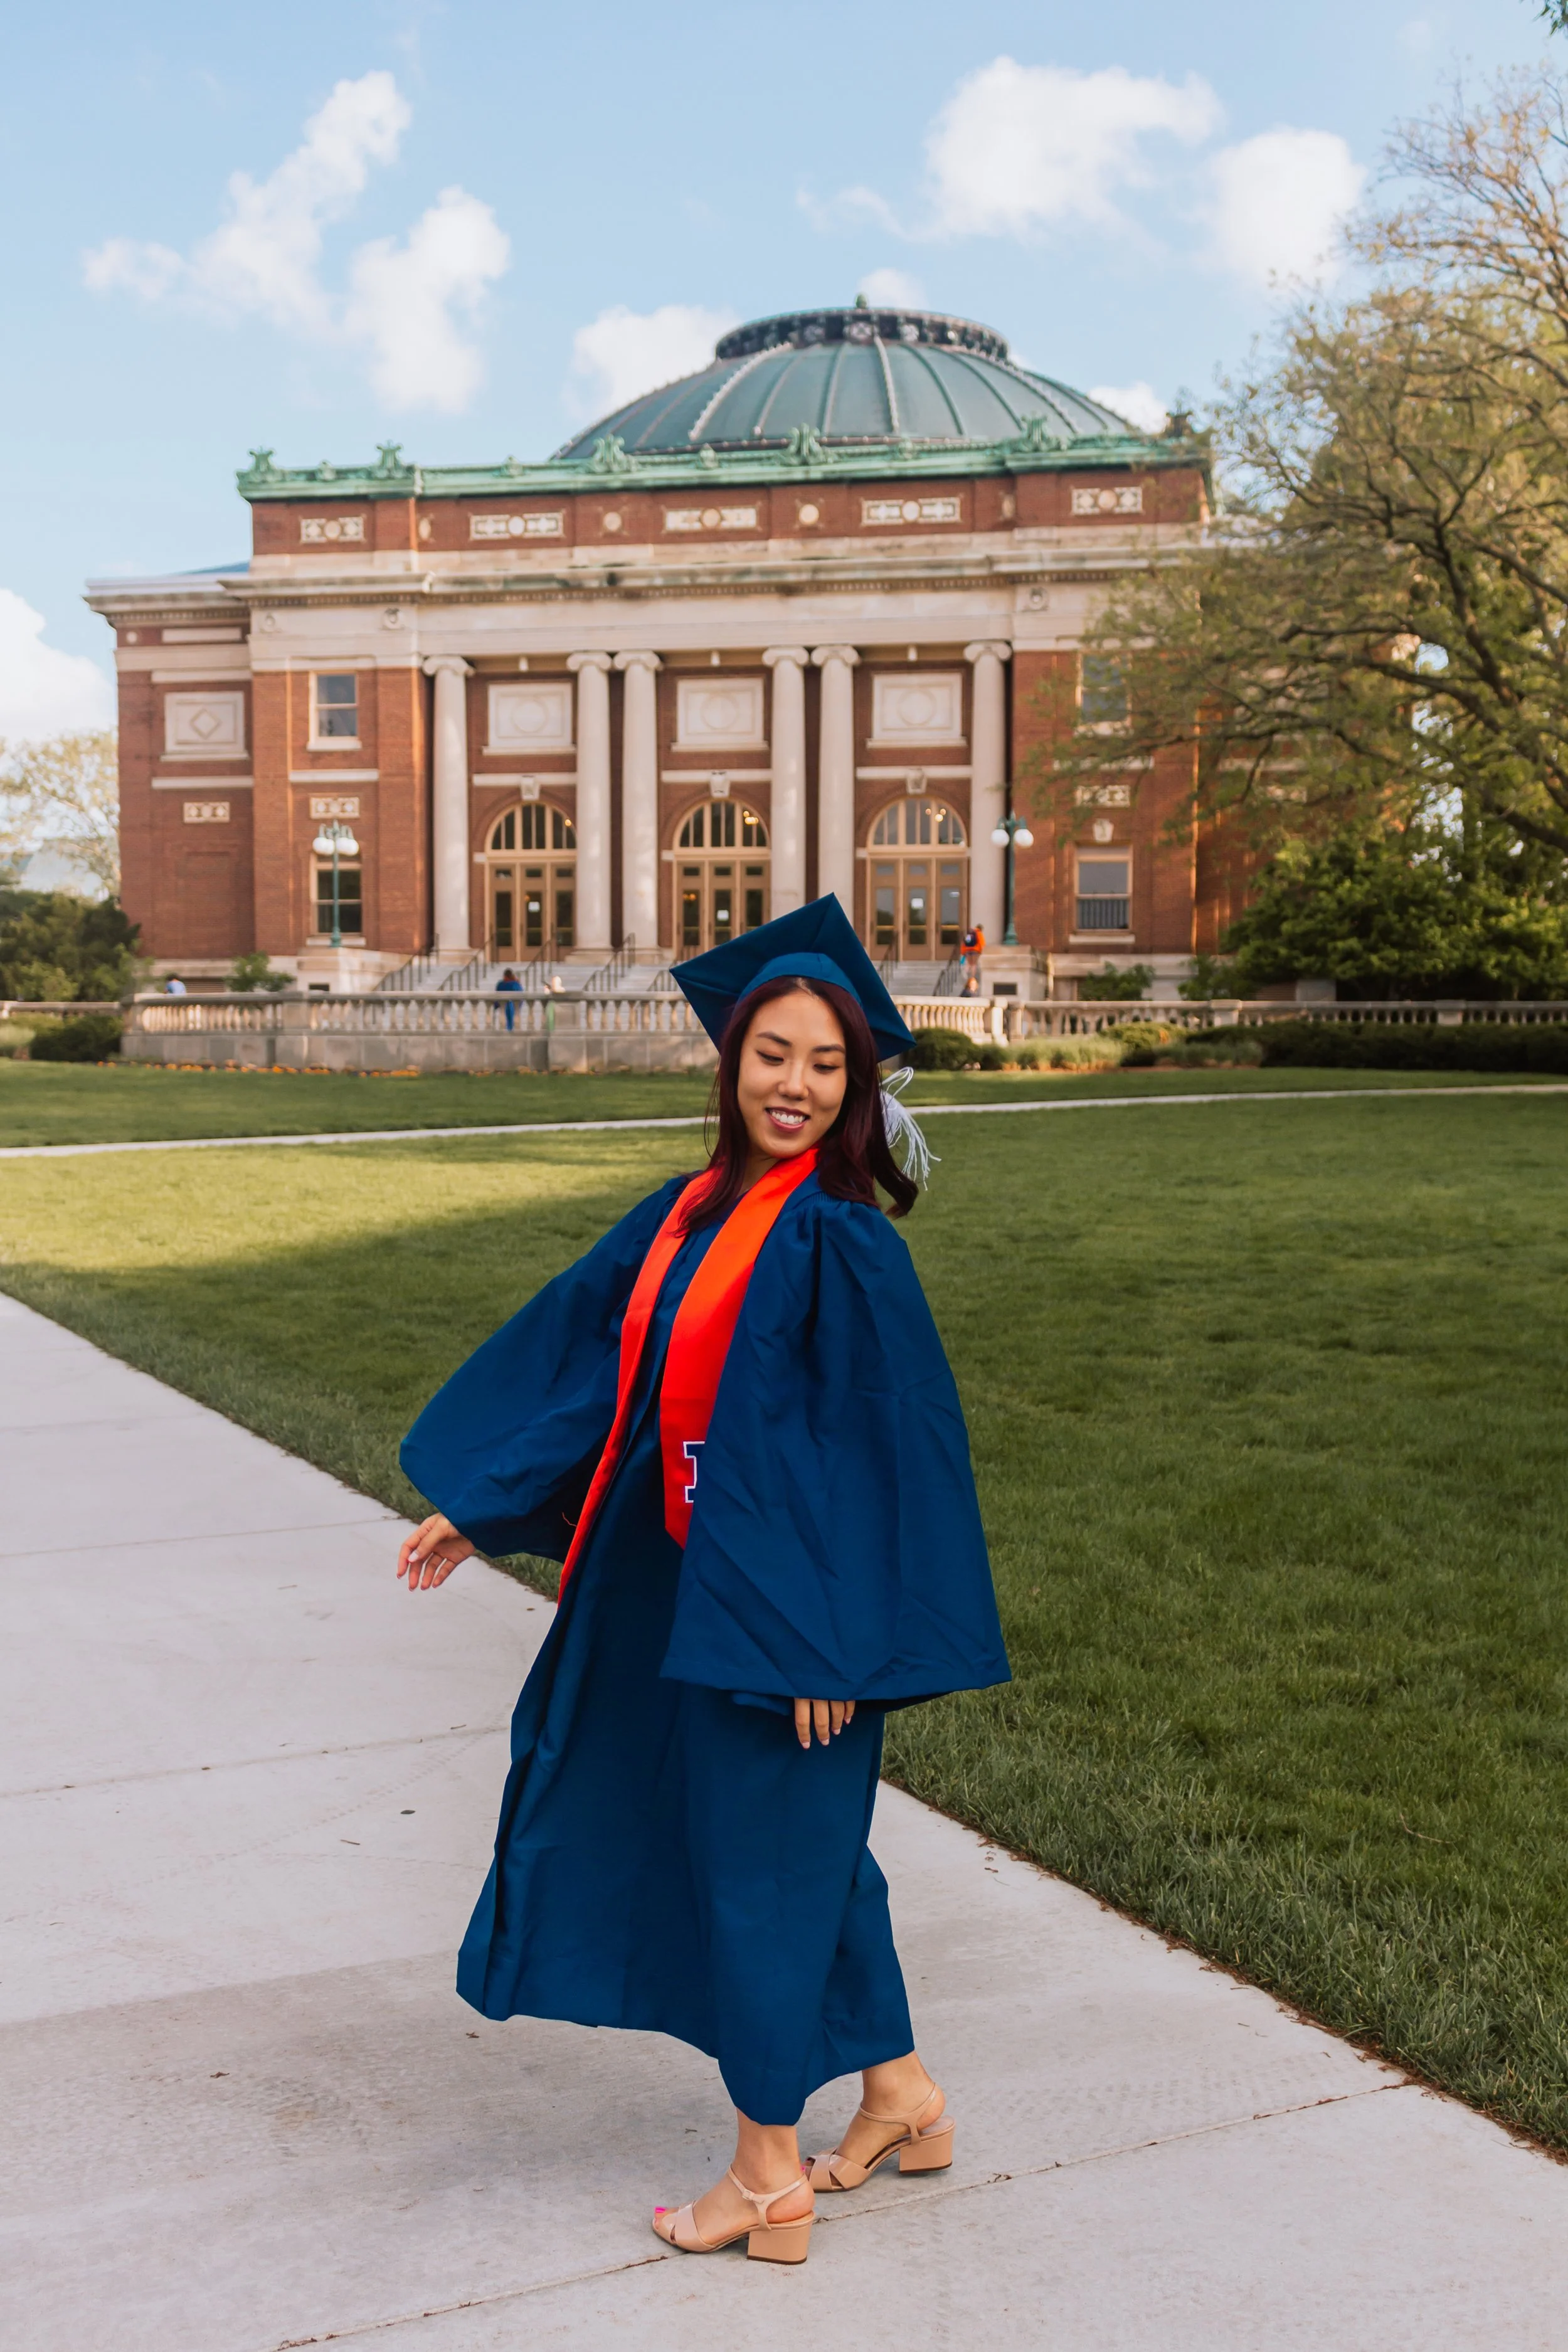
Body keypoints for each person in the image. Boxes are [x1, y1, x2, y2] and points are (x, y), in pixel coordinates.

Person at [397, 897, 1009, 2267]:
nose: (794, 1085)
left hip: (780, 1612)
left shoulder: (842, 1242)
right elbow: (591, 1364)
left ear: (855, 1088)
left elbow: (871, 1462)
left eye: (826, 1065)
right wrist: (477, 1506)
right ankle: (903, 2096)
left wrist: (815, 1647)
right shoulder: (687, 1210)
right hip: (671, 1584)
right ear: (729, 1062)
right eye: (772, 1054)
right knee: (802, 1857)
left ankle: (764, 2174)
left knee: (760, 1865)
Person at [494, 966, 522, 1032]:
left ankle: (509, 1029)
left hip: (508, 1005)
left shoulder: (502, 984)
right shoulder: (516, 984)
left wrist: (496, 1004)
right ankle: (510, 1029)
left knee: (509, 1018)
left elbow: (497, 994)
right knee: (510, 1019)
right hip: (510, 1005)